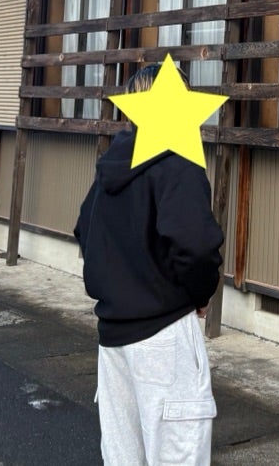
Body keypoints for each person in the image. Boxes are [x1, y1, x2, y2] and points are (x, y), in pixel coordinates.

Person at [75, 62, 224, 466]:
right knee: (177, 453)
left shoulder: (112, 165)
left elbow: (84, 229)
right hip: (164, 332)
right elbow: (196, 247)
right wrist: (200, 295)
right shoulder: (177, 160)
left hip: (114, 338)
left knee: (124, 456)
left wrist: (117, 283)